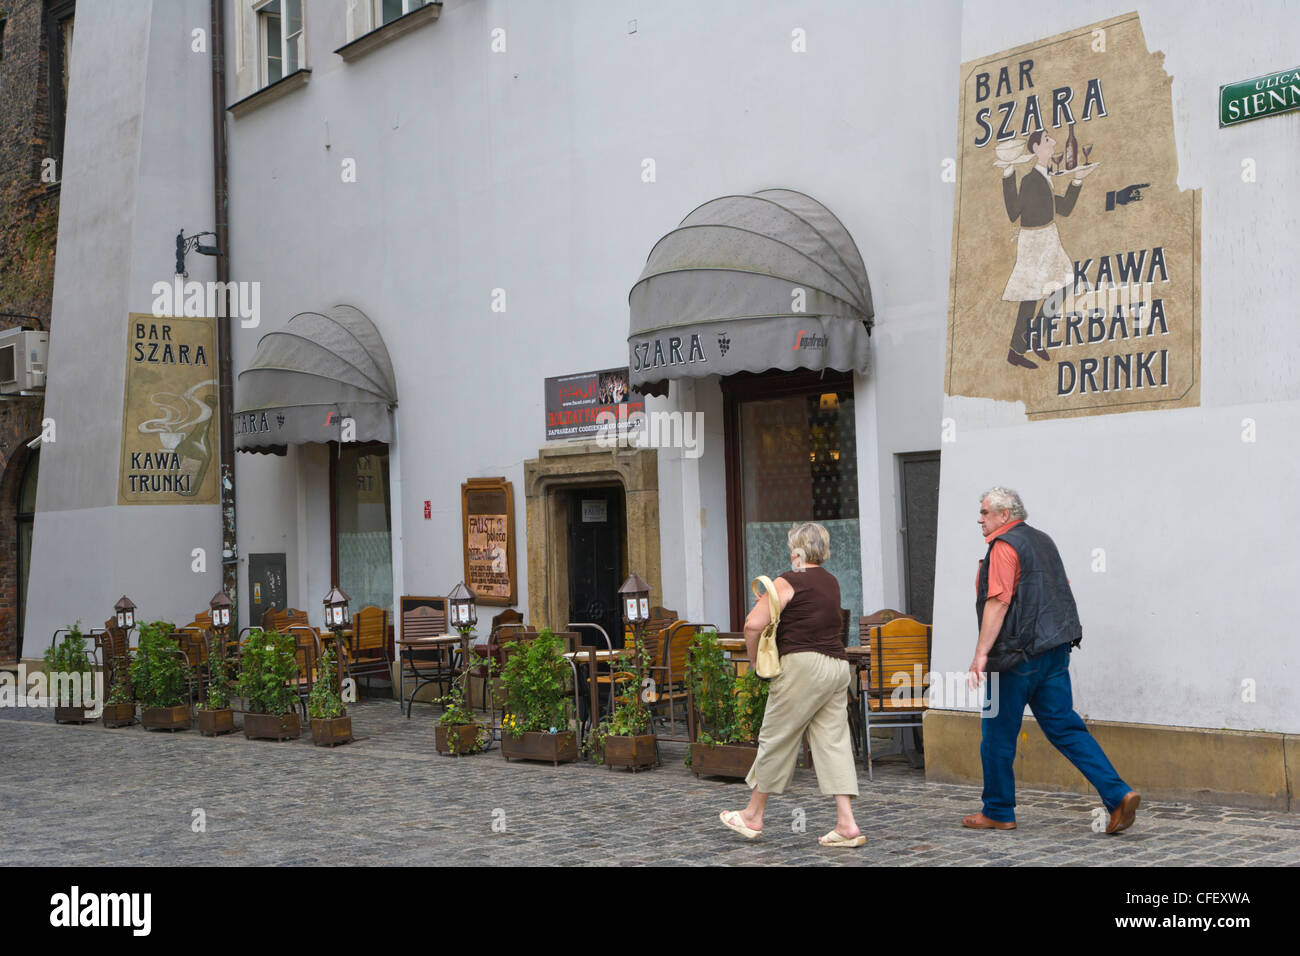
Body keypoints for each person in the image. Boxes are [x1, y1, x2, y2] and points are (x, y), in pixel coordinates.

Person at [964, 487, 1139, 833]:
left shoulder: (1004, 546)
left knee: (997, 735)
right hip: (1053, 651)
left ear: (1005, 514)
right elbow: (1060, 589)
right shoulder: (1043, 541)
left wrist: (981, 654)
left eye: (985, 512)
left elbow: (998, 602)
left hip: (1014, 658)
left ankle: (998, 810)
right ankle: (1118, 794)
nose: (979, 519)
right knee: (1066, 728)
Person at [719, 522, 863, 848]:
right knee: (833, 742)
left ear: (797, 550)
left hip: (803, 667)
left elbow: (752, 625)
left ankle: (752, 815)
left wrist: (755, 662)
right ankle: (847, 823)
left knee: (777, 737)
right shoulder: (831, 581)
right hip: (837, 666)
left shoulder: (788, 580)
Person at [999, 129, 1097, 369]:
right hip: (1035, 242)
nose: (1053, 142)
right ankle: (1019, 348)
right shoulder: (1030, 179)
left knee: (1062, 284)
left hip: (1048, 238)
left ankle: (1029, 338)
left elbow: (1063, 209)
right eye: (1046, 139)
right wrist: (1008, 173)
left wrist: (1077, 179)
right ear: (1036, 148)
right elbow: (1013, 213)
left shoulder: (1044, 177)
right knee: (1031, 296)